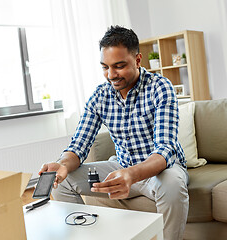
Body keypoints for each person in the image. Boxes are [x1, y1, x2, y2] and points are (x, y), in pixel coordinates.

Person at [39, 25, 189, 240]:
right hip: (121, 166)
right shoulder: (100, 96)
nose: (111, 75)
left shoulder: (160, 87)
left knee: (173, 186)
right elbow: (78, 145)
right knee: (62, 181)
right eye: (105, 67)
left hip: (160, 170)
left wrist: (131, 174)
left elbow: (165, 149)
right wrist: (62, 165)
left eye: (119, 66)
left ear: (137, 60)